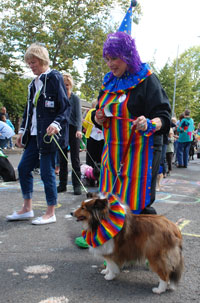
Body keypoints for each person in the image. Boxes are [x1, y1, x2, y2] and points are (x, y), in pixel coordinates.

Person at [75, 1, 171, 249]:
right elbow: (99, 110)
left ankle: (156, 243)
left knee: (139, 201)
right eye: (107, 58)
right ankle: (105, 237)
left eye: (115, 58)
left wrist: (149, 122)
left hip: (143, 150)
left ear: (128, 56)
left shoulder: (147, 80)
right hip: (114, 150)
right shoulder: (108, 81)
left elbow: (164, 115)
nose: (110, 63)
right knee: (110, 197)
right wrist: (98, 117)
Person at [6, 43, 70, 225]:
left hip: (49, 135)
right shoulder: (32, 85)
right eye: (29, 63)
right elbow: (29, 110)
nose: (31, 66)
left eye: (33, 62)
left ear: (42, 61)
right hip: (34, 135)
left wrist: (56, 124)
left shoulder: (55, 78)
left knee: (46, 172)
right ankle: (27, 208)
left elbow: (65, 107)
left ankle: (51, 212)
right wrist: (21, 132)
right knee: (24, 168)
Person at [57, 73, 82, 195]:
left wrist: (79, 129)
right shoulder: (59, 98)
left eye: (67, 85)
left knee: (75, 158)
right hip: (62, 129)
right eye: (63, 84)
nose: (65, 87)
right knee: (62, 158)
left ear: (70, 85)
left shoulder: (75, 98)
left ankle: (77, 185)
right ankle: (62, 184)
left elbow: (79, 116)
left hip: (73, 129)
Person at [82, 99, 104, 172]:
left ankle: (92, 174)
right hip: (93, 137)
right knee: (96, 158)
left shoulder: (91, 112)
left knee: (92, 158)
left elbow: (85, 124)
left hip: (100, 137)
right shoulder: (92, 112)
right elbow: (86, 124)